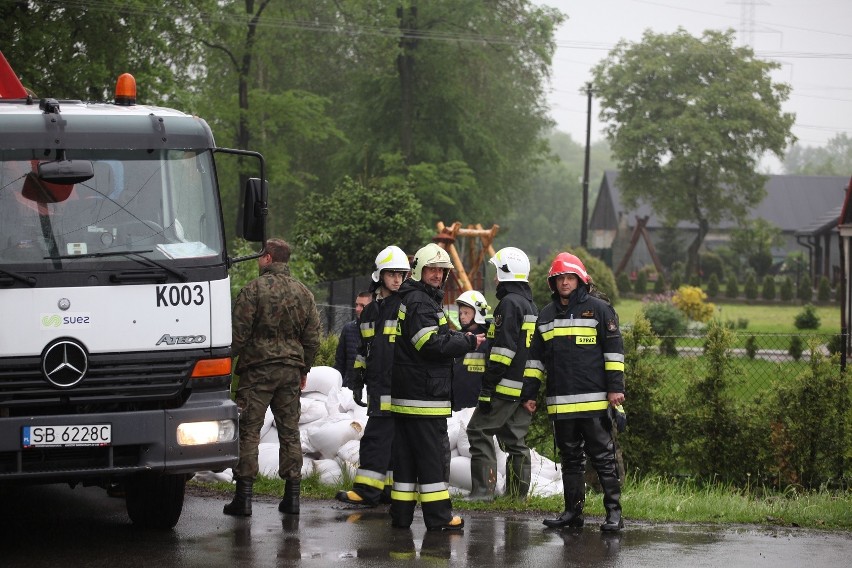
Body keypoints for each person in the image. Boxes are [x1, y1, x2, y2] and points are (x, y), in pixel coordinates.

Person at [522, 252, 626, 531]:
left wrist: (616, 389)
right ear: (553, 283)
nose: (564, 282)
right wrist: (529, 395)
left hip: (593, 402)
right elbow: (534, 361)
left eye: (569, 278)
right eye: (559, 279)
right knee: (570, 461)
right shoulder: (545, 316)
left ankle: (614, 514)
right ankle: (572, 513)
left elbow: (614, 352)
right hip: (560, 405)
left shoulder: (599, 309)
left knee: (603, 458)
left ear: (580, 280)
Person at [390, 243, 485, 531]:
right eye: (432, 269)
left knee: (405, 460)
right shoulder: (421, 301)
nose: (437, 275)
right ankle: (440, 518)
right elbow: (428, 343)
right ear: (420, 270)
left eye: (442, 271)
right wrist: (467, 341)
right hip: (424, 397)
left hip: (409, 396)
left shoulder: (416, 298)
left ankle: (401, 516)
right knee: (432, 459)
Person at [224, 238, 322, 517]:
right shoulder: (304, 293)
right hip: (290, 372)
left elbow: (238, 336)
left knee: (249, 431)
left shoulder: (253, 290)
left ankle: (243, 498)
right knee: (290, 431)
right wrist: (304, 369)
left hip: (257, 371)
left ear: (267, 258)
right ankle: (292, 499)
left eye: (259, 256)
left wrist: (226, 366)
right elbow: (313, 338)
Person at [336, 245, 410, 507]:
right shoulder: (370, 312)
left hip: (398, 384)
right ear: (380, 275)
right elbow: (362, 350)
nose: (397, 279)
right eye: (392, 274)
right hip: (378, 385)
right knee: (386, 439)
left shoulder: (405, 307)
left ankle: (367, 491)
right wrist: (357, 379)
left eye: (401, 274)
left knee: (376, 438)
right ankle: (385, 490)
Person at [465, 247, 538, 501]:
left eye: (497, 272)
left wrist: (487, 388)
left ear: (506, 273)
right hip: (521, 387)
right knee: (515, 439)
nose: (494, 278)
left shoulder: (508, 304)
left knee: (478, 431)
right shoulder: (530, 304)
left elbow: (502, 352)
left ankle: (483, 492)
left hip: (503, 387)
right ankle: (517, 497)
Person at [452, 290, 492, 411]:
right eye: (460, 313)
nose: (462, 316)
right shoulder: (456, 338)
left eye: (466, 313)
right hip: (456, 404)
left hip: (478, 405)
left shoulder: (489, 340)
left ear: (479, 313)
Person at [334, 291, 372, 388]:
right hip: (348, 388)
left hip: (370, 389)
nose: (357, 309)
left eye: (362, 306)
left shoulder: (380, 330)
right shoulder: (348, 328)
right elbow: (340, 362)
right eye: (356, 305)